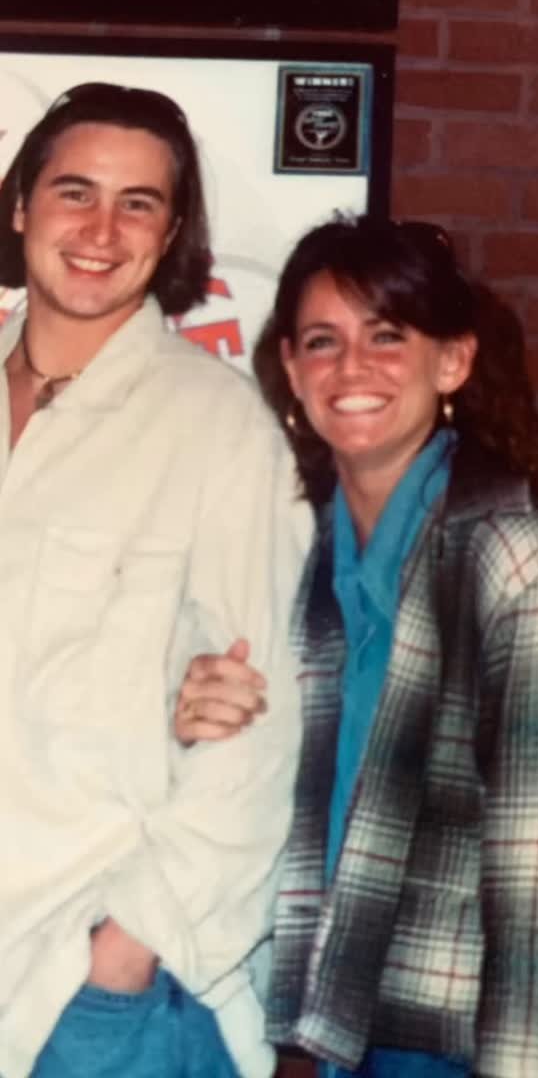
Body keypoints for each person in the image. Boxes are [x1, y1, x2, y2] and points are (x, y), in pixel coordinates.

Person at [176, 216, 538, 1078]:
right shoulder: (305, 552)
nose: (352, 367)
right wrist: (197, 703)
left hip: (468, 1036)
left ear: (452, 362)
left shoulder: (517, 562)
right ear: (291, 371)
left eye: (387, 336)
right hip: (346, 1012)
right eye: (323, 341)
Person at [0, 82, 309, 1078]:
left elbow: (269, 720)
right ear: (20, 206)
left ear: (171, 233)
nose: (101, 230)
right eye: (75, 192)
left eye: (138, 203)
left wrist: (126, 948)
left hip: (78, 991)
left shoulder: (217, 428)